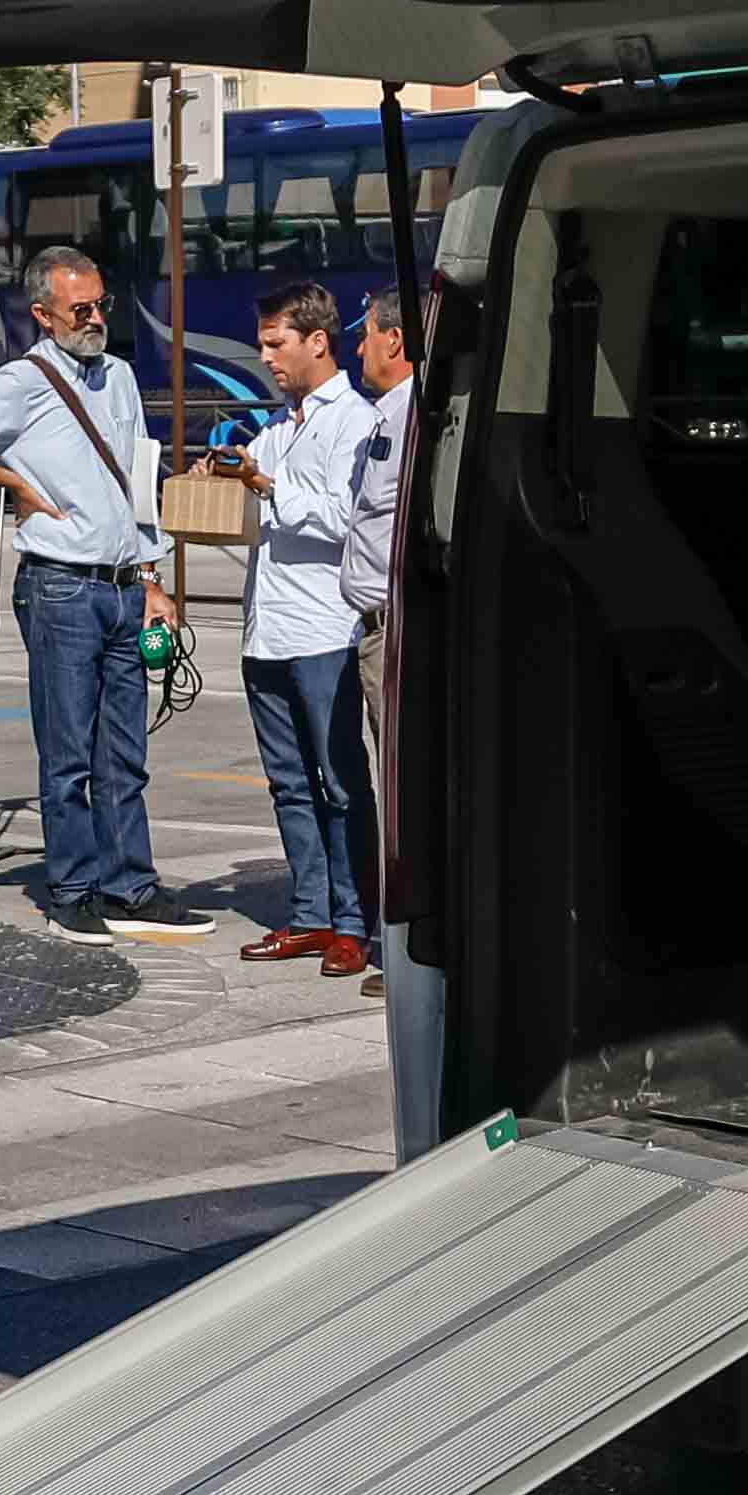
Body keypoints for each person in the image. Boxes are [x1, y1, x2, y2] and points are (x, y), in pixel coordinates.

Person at [0, 248, 192, 939]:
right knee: (68, 750)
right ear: (43, 314)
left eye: (102, 305)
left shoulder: (119, 376)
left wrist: (153, 577)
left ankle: (130, 884)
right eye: (80, 310)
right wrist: (12, 483)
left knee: (124, 750)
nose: (95, 319)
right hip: (60, 587)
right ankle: (73, 887)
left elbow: (135, 481)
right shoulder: (23, 380)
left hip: (122, 587)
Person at [213, 281, 376, 973]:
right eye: (260, 344)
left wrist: (268, 487)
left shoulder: (357, 422)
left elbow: (347, 518)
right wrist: (225, 479)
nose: (266, 357)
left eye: (276, 343)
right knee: (287, 783)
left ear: (317, 340)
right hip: (268, 631)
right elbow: (257, 503)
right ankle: (310, 912)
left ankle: (355, 919)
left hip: (324, 629)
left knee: (341, 783)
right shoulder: (277, 427)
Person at [334, 296, 415, 1002]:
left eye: (364, 339)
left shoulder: (412, 414)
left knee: (404, 796)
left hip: (396, 629)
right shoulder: (386, 420)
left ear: (395, 341)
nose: (356, 350)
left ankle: (412, 955)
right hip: (376, 627)